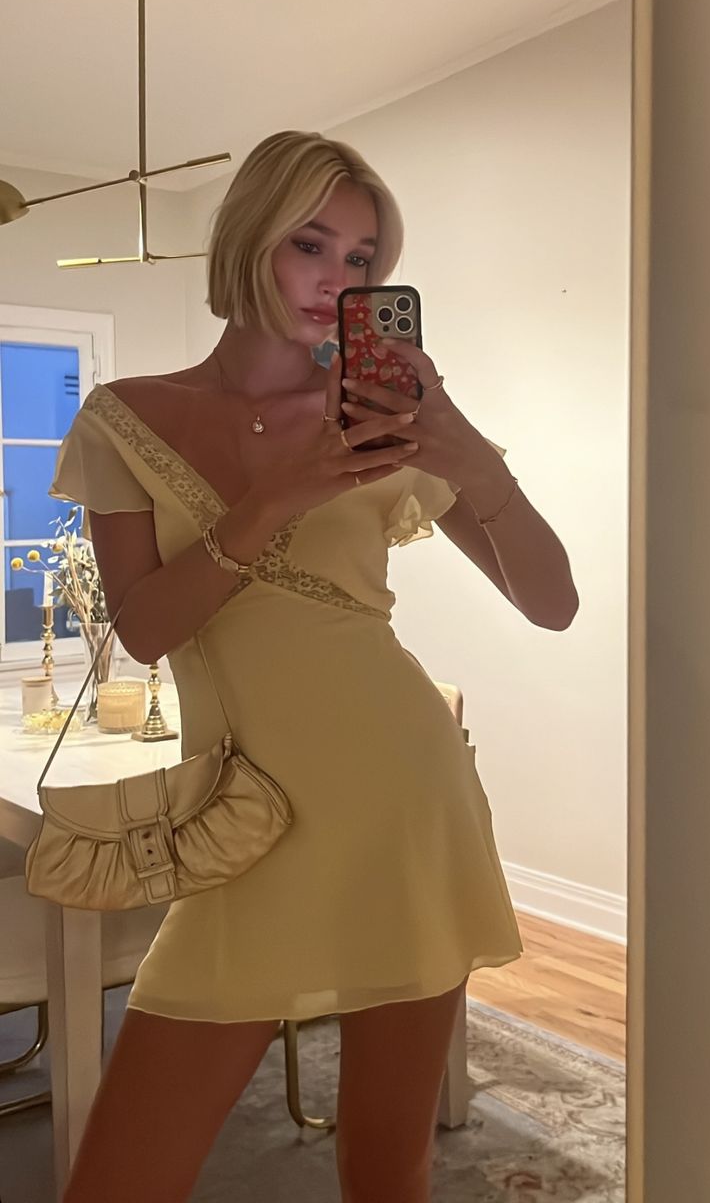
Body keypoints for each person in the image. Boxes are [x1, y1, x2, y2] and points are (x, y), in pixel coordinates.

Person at [50, 129, 579, 1203]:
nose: (336, 278)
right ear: (251, 236)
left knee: (387, 1169)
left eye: (362, 259)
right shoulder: (127, 417)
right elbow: (145, 629)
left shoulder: (388, 423)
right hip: (247, 828)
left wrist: (462, 448)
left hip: (405, 805)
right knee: (117, 1181)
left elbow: (552, 601)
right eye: (310, 244)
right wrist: (277, 496)